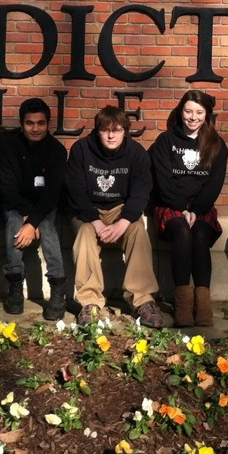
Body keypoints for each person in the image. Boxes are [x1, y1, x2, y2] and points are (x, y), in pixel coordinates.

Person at [66, 105, 163, 328]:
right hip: (88, 211)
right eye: (105, 130)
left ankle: (142, 300)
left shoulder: (136, 153)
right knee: (84, 234)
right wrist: (97, 223)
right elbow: (75, 191)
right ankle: (89, 303)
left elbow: (142, 191)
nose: (111, 135)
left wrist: (124, 222)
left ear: (125, 131)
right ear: (97, 130)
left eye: (117, 130)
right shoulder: (81, 150)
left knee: (138, 230)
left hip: (121, 210)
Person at [150, 90, 228, 327]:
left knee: (202, 233)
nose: (193, 117)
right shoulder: (165, 141)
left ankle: (203, 305)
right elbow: (163, 180)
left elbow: (215, 183)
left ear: (207, 115)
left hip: (201, 207)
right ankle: (183, 304)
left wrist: (197, 208)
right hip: (170, 205)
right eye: (188, 111)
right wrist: (181, 208)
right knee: (183, 231)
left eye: (199, 112)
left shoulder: (216, 144)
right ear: (180, 111)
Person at [0, 97, 68, 321]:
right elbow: (6, 187)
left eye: (40, 123)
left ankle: (57, 289)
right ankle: (15, 286)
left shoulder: (57, 150)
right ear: (21, 124)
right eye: (30, 123)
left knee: (47, 227)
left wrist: (33, 220)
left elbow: (52, 194)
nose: (35, 128)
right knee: (13, 223)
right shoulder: (8, 146)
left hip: (44, 206)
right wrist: (27, 218)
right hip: (15, 203)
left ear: (48, 124)